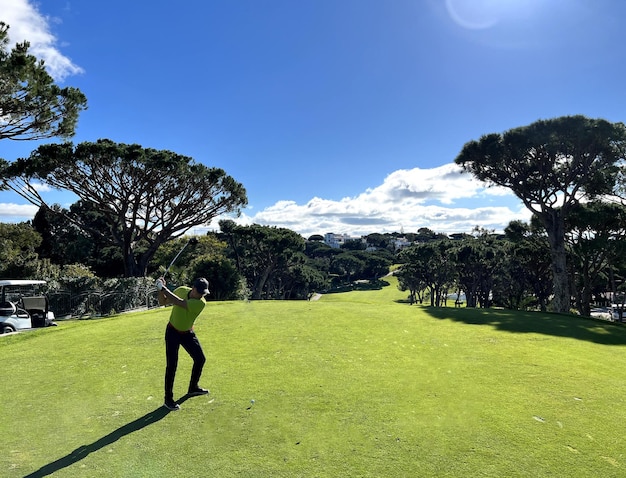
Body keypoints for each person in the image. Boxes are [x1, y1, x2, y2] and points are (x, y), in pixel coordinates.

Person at [157, 276, 211, 411]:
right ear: (193, 289)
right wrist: (160, 289)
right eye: (200, 292)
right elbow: (162, 302)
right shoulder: (181, 290)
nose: (201, 295)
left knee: (200, 359)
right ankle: (168, 399)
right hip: (172, 331)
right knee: (172, 365)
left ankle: (193, 387)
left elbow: (179, 302)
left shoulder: (201, 303)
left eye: (203, 293)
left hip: (187, 333)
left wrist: (163, 288)